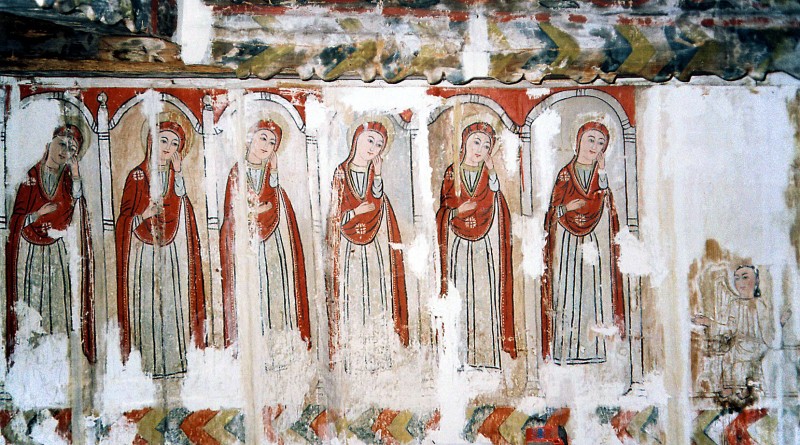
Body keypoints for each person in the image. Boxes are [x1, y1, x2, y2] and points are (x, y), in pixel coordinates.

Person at [115, 119, 206, 378]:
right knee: (147, 303)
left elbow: (184, 208)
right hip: (144, 251)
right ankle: (147, 365)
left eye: (175, 143)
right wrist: (142, 215)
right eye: (164, 140)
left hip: (173, 250)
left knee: (173, 302)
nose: (168, 146)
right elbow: (124, 219)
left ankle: (174, 363)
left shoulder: (176, 176)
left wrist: (179, 173)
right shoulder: (137, 175)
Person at [219, 120, 311, 363]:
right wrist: (253, 211)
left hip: (273, 247)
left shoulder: (272, 176)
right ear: (250, 139)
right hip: (247, 248)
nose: (267, 145)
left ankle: (280, 354)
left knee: (277, 295)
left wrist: (274, 175)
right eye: (263, 138)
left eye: (272, 142)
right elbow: (232, 213)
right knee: (252, 297)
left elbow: (278, 207)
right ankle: (253, 355)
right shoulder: (237, 173)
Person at [5, 124, 95, 364]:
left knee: (57, 301)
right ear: (50, 144)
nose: (65, 151)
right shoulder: (31, 177)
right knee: (33, 301)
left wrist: (76, 173)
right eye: (62, 144)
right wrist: (37, 214)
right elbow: (17, 218)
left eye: (72, 149)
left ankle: (56, 354)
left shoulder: (67, 180)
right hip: (31, 249)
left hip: (56, 249)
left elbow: (77, 201)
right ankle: (31, 354)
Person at [326, 121, 408, 372]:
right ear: (356, 140)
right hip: (348, 251)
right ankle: (353, 361)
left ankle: (379, 359)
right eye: (370, 140)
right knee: (352, 300)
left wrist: (379, 174)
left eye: (379, 144)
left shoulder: (375, 174)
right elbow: (335, 216)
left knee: (377, 296)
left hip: (375, 251)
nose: (374, 147)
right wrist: (355, 213)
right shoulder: (341, 173)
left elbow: (378, 203)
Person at [541, 121, 625, 365]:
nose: (594, 146)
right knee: (568, 292)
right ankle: (566, 350)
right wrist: (567, 207)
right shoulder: (565, 174)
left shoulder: (600, 176)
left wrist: (603, 172)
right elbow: (552, 212)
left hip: (593, 243)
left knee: (592, 292)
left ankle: (593, 349)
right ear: (578, 141)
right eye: (591, 139)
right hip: (567, 241)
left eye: (601, 143)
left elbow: (607, 206)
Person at [436, 121, 516, 369]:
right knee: (459, 299)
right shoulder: (452, 172)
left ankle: (485, 358)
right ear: (465, 144)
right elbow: (443, 211)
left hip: (483, 247)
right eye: (476, 142)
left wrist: (492, 172)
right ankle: (458, 359)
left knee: (484, 297)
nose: (480, 149)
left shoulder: (488, 175)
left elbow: (497, 202)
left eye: (486, 145)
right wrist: (457, 212)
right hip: (459, 246)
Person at [693, 265, 771, 395]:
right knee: (727, 355)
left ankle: (747, 386)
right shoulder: (734, 304)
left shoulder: (760, 304)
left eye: (745, 277)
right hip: (738, 346)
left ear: (756, 280)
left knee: (740, 358)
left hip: (755, 347)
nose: (740, 282)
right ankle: (733, 387)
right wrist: (709, 323)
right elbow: (729, 329)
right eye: (737, 278)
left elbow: (767, 331)